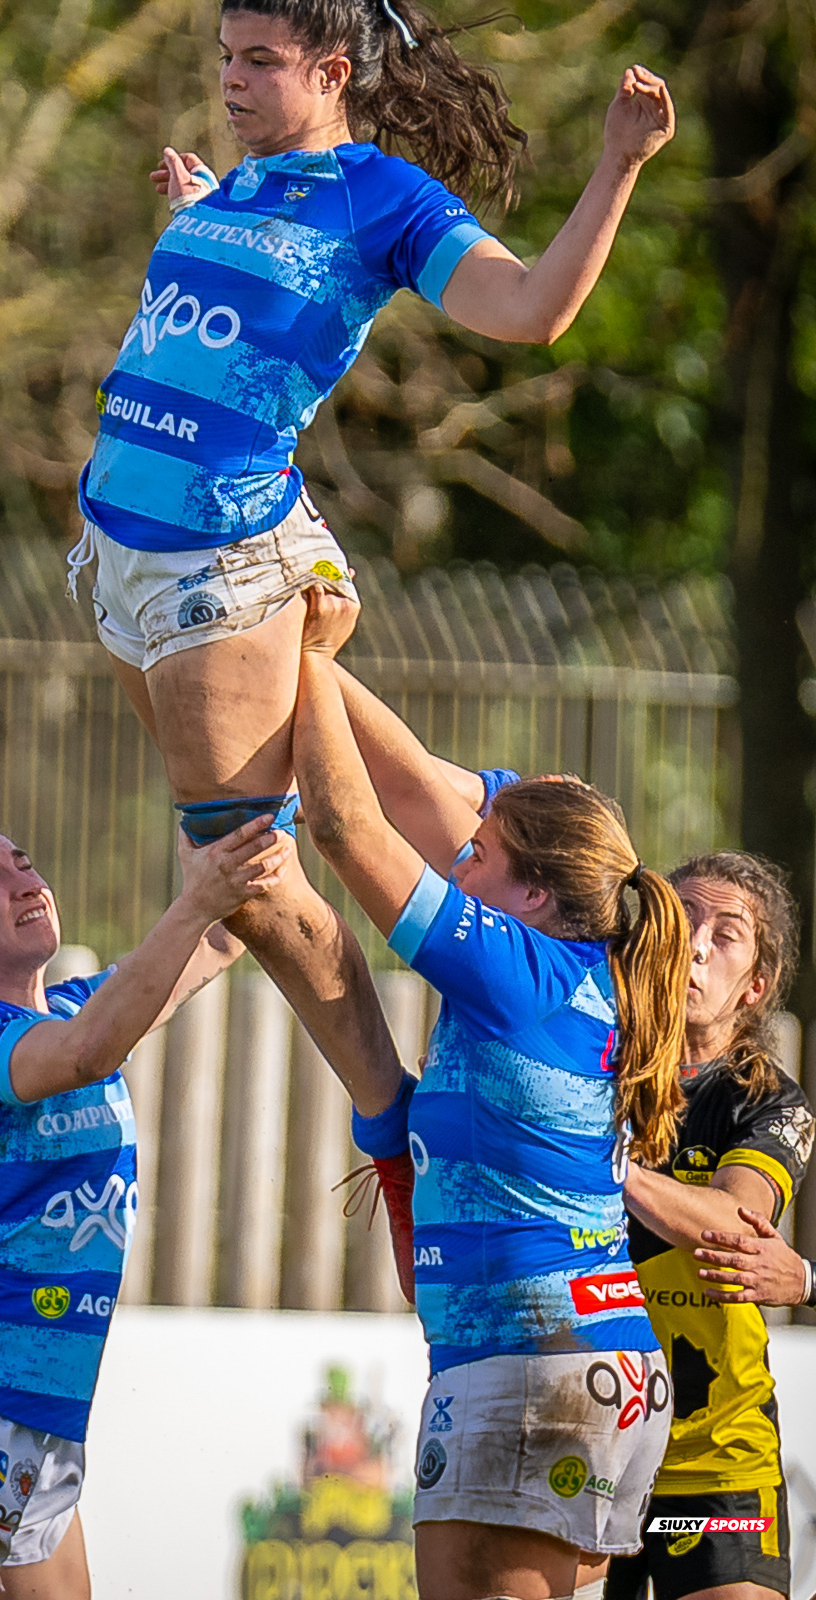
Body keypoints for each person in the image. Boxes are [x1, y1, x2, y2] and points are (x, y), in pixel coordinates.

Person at [67, 0, 675, 1120]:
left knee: (243, 870)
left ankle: (390, 1125)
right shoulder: (238, 186)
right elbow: (239, 310)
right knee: (235, 868)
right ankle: (349, 995)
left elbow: (531, 312)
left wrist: (615, 165)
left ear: (334, 70)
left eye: (260, 62)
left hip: (214, 565)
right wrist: (204, 210)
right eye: (224, 57)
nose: (231, 81)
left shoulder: (387, 201)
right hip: (116, 558)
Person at [289, 603, 689, 1600]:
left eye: (475, 857)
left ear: (532, 894)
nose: (453, 862)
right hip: (577, 1360)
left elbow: (344, 826)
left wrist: (294, 658)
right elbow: (419, 782)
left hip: (528, 1366)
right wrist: (304, 655)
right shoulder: (580, 958)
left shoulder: (518, 972)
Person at [0, 813, 283, 1600]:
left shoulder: (76, 1007)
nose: (22, 877)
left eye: (22, 860)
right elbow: (82, 1056)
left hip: (42, 1428)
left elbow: (215, 944)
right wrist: (192, 904)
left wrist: (247, 823)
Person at [605, 850, 815, 1600]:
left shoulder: (768, 1102)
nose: (694, 943)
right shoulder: (593, 1066)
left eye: (723, 935)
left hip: (717, 1467)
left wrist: (607, 1165)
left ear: (754, 985)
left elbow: (732, 1221)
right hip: (591, 1445)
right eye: (682, 919)